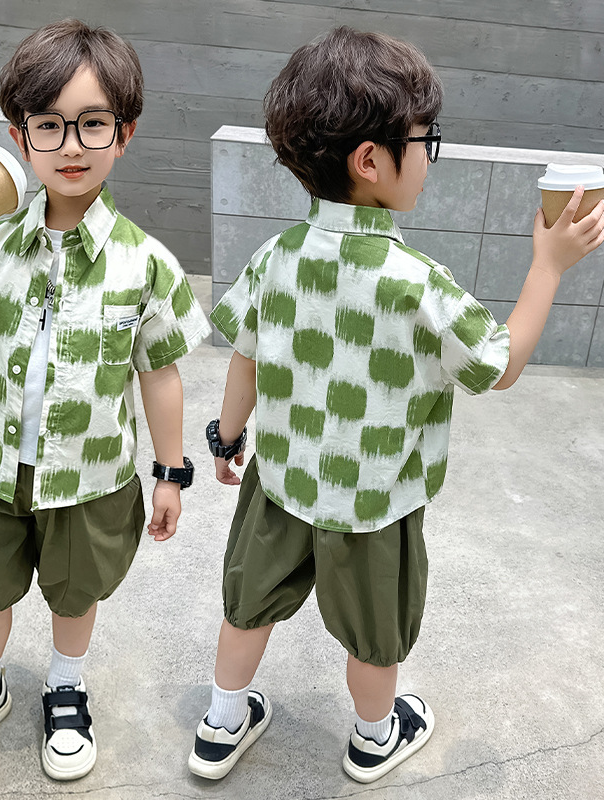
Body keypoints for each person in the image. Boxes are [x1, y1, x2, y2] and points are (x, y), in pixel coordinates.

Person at [188, 26, 604, 785]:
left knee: (247, 603)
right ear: (371, 160)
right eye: (425, 140)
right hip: (374, 503)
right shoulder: (417, 283)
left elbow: (246, 352)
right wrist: (547, 266)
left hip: (282, 481)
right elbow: (500, 365)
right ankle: (374, 738)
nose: (430, 156)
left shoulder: (276, 257)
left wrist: (227, 436)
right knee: (375, 636)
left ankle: (220, 722)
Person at [0, 19, 209, 781]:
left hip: (91, 476)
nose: (71, 145)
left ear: (124, 134)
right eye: (49, 125)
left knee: (76, 590)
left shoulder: (145, 263)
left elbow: (159, 371)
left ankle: (66, 687)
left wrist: (172, 472)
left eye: (93, 123)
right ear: (19, 136)